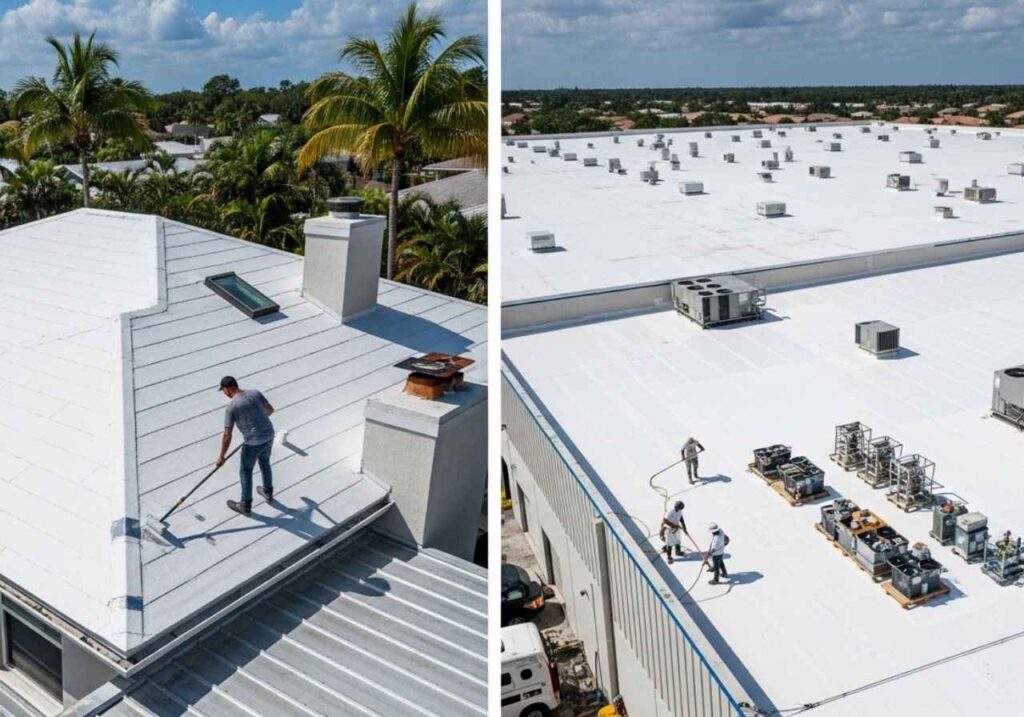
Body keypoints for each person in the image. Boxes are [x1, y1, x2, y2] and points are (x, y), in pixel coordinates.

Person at [216, 376, 276, 516]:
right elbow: (270, 410)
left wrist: (221, 456)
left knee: (246, 471)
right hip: (268, 435)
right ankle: (268, 492)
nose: (224, 393)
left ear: (228, 389)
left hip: (253, 443)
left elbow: (227, 435)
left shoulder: (231, 408)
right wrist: (258, 420)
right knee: (265, 462)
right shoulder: (255, 393)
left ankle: (245, 505)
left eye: (223, 390)